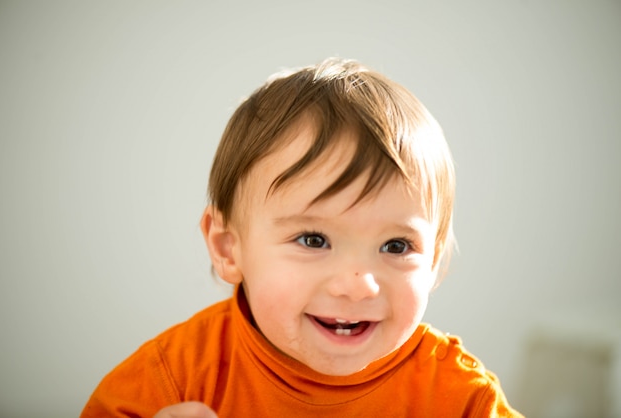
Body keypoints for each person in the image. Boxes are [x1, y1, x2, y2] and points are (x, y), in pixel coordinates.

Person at [81, 58, 523, 417]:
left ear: (435, 263)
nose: (357, 285)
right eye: (313, 240)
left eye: (396, 246)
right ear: (227, 248)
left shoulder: (459, 398)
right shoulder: (175, 379)